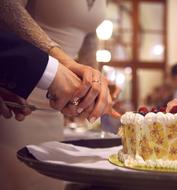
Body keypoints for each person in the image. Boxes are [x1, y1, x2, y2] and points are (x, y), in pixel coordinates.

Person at [0, 1, 114, 189]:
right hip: (19, 96)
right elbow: (6, 7)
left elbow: (88, 34)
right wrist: (64, 62)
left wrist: (93, 84)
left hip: (56, 109)